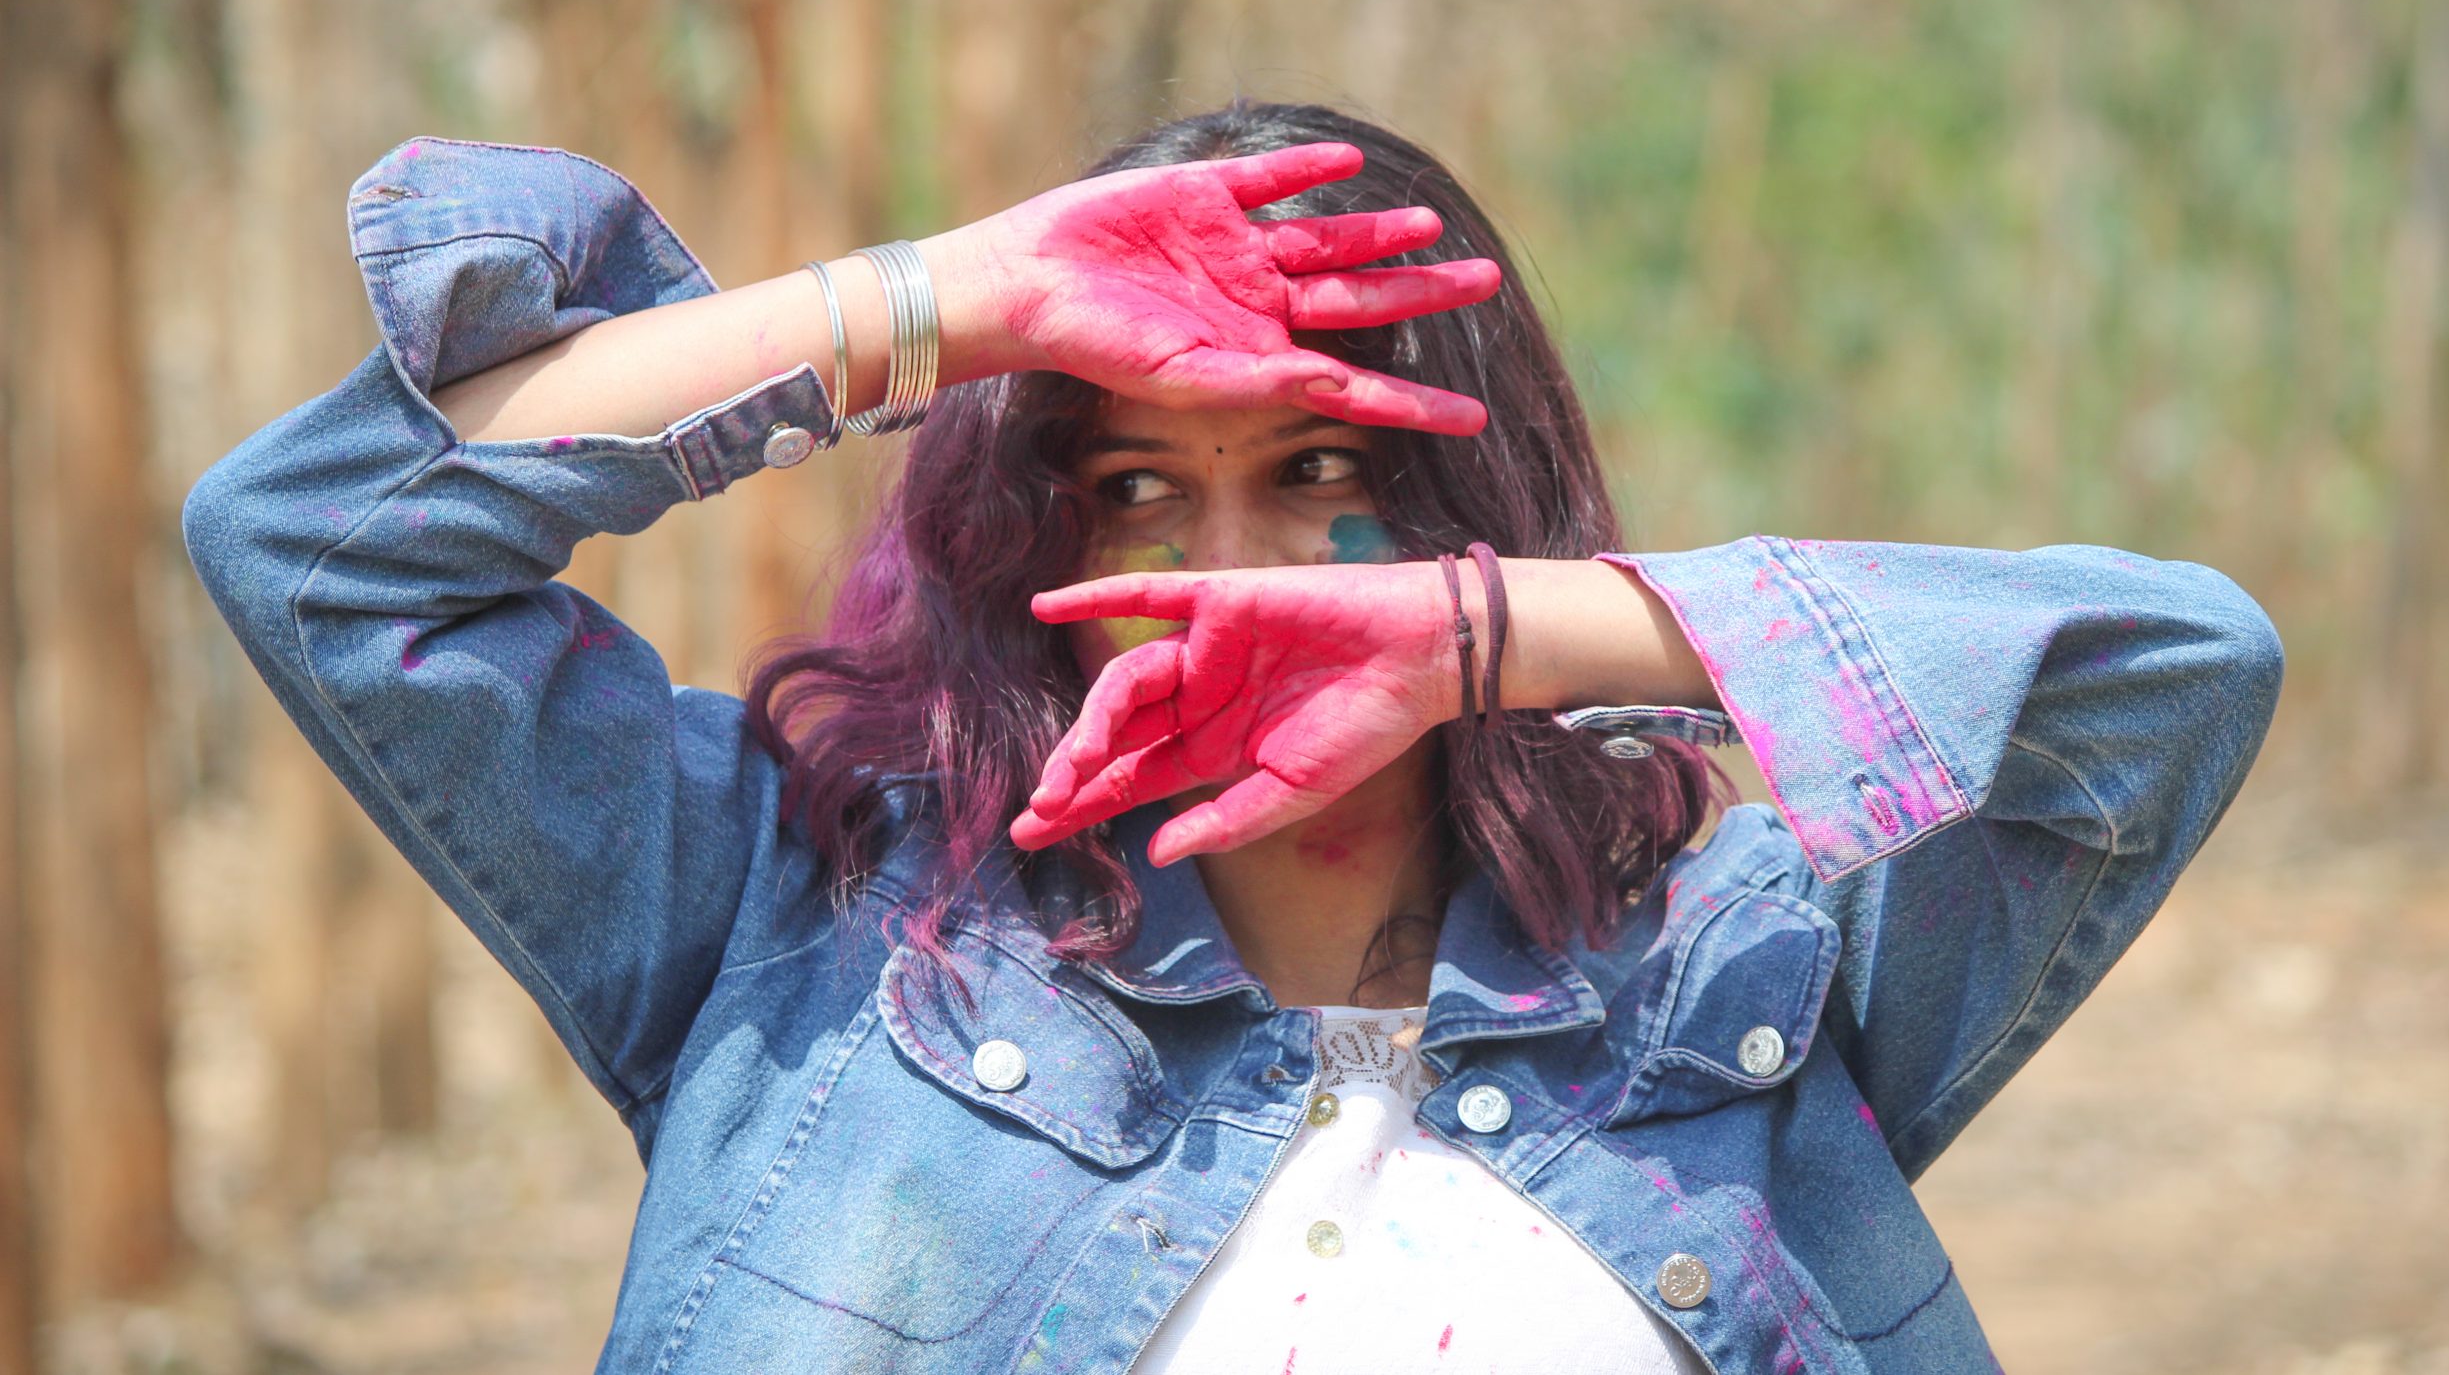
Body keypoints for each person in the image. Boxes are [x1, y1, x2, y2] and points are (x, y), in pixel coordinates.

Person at [185, 100, 2283, 1374]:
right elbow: (320, 549)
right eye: (1129, 487)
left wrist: (1494, 632)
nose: (1230, 567)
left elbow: (2164, 680)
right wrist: (951, 299)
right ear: (1024, 539)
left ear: (1472, 513)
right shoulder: (797, 924)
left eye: (1318, 474)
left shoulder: (1726, 974)